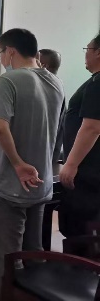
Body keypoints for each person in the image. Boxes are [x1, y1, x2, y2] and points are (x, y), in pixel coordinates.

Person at [0, 28, 64, 294]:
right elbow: (57, 132)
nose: (1, 59)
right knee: (35, 255)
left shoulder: (8, 81)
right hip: (41, 185)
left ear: (10, 52)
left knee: (8, 262)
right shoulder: (56, 82)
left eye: (0, 54)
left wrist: (18, 164)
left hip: (9, 187)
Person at [58, 32, 100, 237]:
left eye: (87, 49)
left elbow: (92, 127)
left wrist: (71, 164)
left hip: (88, 172)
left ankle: (80, 258)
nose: (86, 54)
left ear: (98, 52)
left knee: (81, 231)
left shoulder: (97, 83)